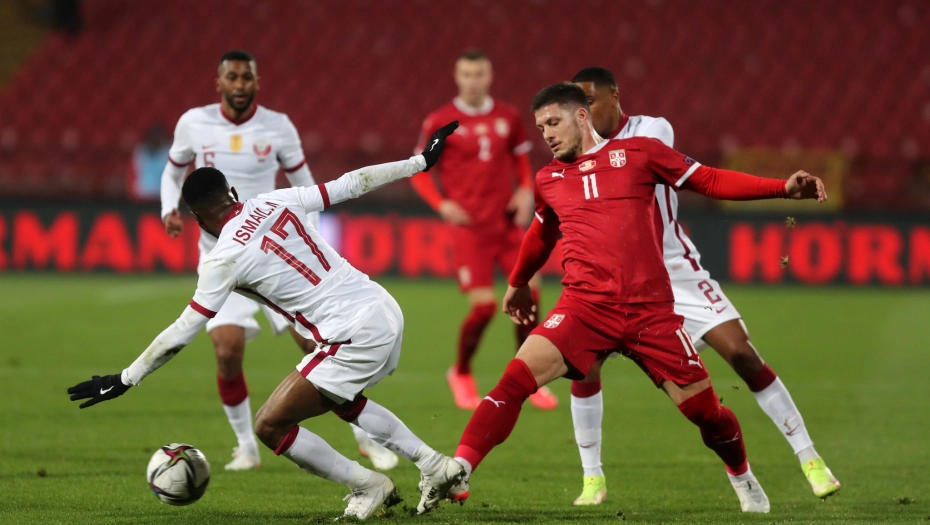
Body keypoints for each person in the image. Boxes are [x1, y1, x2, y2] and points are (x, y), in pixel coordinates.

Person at [418, 83, 827, 514]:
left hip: (650, 313)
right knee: (515, 379)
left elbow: (708, 179)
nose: (547, 134)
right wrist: (518, 282)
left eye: (553, 122)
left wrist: (782, 189)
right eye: (540, 128)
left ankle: (741, 475)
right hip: (585, 309)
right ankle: (460, 468)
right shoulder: (549, 179)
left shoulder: (640, 153)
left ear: (581, 116)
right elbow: (541, 234)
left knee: (705, 413)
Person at [68, 122, 465, 520]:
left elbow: (181, 332)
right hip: (382, 306)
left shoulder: (222, 260)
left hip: (351, 332)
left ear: (197, 218)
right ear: (232, 192)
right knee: (342, 400)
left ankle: (368, 485)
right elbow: (352, 183)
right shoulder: (277, 199)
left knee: (270, 425)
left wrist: (125, 378)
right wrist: (420, 162)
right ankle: (433, 465)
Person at [565, 67, 841, 505]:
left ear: (615, 96)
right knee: (584, 365)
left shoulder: (652, 130)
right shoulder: (571, 150)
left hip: (674, 270)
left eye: (590, 102)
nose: (582, 114)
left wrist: (781, 190)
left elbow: (694, 175)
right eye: (576, 107)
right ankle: (592, 477)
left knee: (743, 354)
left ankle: (810, 459)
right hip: (615, 277)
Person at [159, 49, 397, 471]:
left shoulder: (278, 126)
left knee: (318, 345)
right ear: (219, 83)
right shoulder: (192, 123)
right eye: (231, 77)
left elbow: (304, 182)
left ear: (257, 82)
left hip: (276, 256)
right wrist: (168, 208)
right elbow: (173, 171)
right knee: (227, 350)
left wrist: (312, 242)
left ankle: (366, 440)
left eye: (246, 77)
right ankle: (246, 448)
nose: (239, 85)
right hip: (223, 257)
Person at [412, 49, 557, 410]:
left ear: (489, 77)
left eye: (479, 74)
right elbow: (420, 171)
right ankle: (461, 372)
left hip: (506, 225)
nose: (473, 81)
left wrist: (524, 191)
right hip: (469, 230)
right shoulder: (441, 121)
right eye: (467, 74)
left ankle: (528, 377)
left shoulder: (508, 116)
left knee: (530, 299)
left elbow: (520, 161)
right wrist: (442, 204)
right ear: (457, 77)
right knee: (485, 308)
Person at [128, 123, 171, 201]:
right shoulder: (140, 151)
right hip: (143, 195)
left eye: (158, 137)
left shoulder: (169, 152)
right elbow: (133, 174)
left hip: (162, 196)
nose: (156, 139)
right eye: (154, 137)